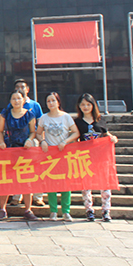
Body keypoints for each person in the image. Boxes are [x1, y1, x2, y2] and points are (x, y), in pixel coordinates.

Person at [75, 92, 119, 222]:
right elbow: (75, 137)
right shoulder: (77, 122)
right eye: (83, 105)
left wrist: (113, 138)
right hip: (85, 158)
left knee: (104, 184)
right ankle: (89, 210)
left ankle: (106, 210)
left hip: (100, 157)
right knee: (86, 185)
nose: (86, 107)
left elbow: (106, 134)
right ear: (79, 106)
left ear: (93, 105)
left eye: (88, 104)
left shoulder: (100, 120)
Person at [0, 90, 38, 221]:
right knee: (6, 180)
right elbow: (0, 131)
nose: (16, 101)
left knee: (26, 180)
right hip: (9, 150)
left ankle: (28, 209)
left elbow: (33, 132)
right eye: (13, 98)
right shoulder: (6, 114)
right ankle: (2, 209)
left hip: (24, 151)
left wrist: (29, 140)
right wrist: (1, 142)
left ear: (23, 100)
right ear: (10, 101)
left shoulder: (29, 114)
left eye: (19, 98)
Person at [37, 92, 79, 221]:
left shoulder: (66, 117)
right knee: (51, 183)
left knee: (66, 183)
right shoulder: (44, 118)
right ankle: (53, 211)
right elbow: (38, 133)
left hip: (64, 153)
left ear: (58, 102)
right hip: (50, 155)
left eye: (53, 100)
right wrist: (42, 141)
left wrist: (65, 141)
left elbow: (76, 132)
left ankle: (66, 211)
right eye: (48, 101)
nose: (51, 103)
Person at [13, 78, 44, 207]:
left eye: (22, 87)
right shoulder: (11, 105)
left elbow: (40, 124)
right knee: (17, 169)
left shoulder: (35, 105)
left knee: (35, 169)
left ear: (27, 89)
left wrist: (41, 140)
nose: (20, 89)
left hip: (32, 140)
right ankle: (17, 196)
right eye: (17, 87)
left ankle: (37, 197)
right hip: (16, 142)